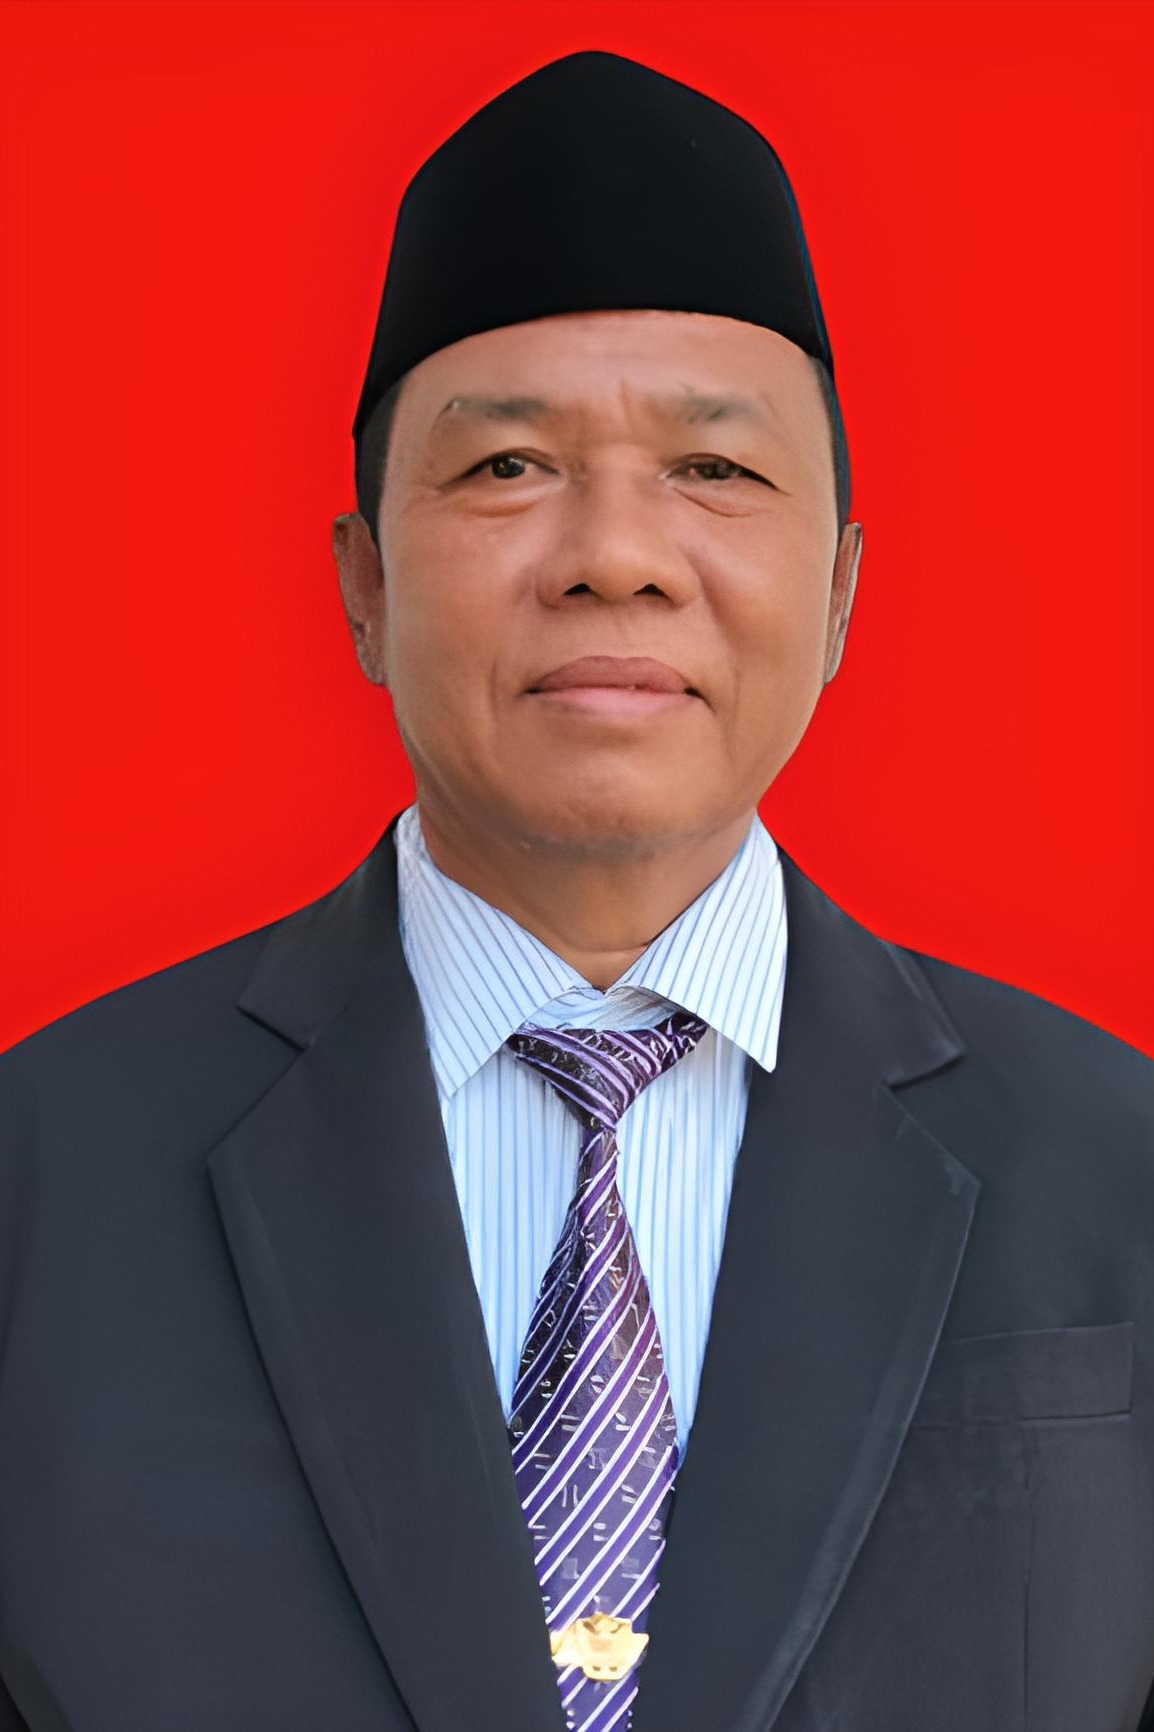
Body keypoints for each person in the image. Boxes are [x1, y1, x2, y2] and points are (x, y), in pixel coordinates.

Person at [0, 47, 1151, 1732]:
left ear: (840, 591)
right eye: (506, 468)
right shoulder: (45, 1170)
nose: (615, 555)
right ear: (363, 586)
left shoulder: (1114, 1163)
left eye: (715, 470)